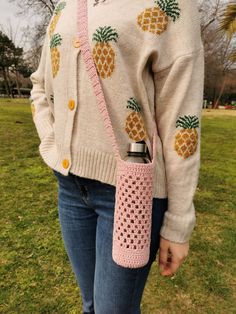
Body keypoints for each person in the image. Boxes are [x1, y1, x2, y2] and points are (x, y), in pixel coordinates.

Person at [29, 0, 204, 313]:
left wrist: (178, 224)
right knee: (90, 304)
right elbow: (40, 85)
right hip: (70, 188)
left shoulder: (173, 5)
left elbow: (182, 121)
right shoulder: (66, 5)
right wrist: (51, 137)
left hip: (132, 197)